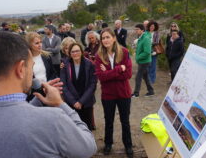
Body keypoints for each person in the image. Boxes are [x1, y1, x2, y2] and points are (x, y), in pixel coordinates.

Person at [0, 32, 97, 158]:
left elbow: (11, 119)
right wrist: (60, 104)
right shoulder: (53, 119)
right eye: (31, 66)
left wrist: (37, 100)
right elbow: (88, 147)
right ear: (20, 69)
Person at [95, 28, 133, 157]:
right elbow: (102, 77)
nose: (105, 40)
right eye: (103, 38)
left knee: (125, 121)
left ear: (114, 38)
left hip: (123, 93)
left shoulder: (125, 52)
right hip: (108, 95)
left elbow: (128, 74)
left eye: (107, 37)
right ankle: (108, 144)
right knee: (109, 121)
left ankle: (128, 145)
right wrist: (118, 69)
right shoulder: (98, 56)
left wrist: (108, 72)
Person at [61, 43, 97, 131]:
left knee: (87, 128)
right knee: (74, 129)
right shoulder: (65, 65)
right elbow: (64, 85)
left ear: (81, 52)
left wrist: (81, 102)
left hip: (86, 102)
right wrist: (74, 102)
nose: (75, 53)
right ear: (69, 53)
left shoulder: (90, 64)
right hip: (71, 103)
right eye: (73, 52)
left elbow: (92, 84)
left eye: (77, 51)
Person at [132, 24, 154, 98]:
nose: (136, 31)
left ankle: (136, 93)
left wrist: (138, 57)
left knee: (138, 77)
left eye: (137, 29)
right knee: (146, 76)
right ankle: (151, 91)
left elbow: (147, 52)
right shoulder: (141, 37)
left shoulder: (146, 38)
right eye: (135, 29)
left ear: (142, 30)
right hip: (142, 61)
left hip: (145, 61)